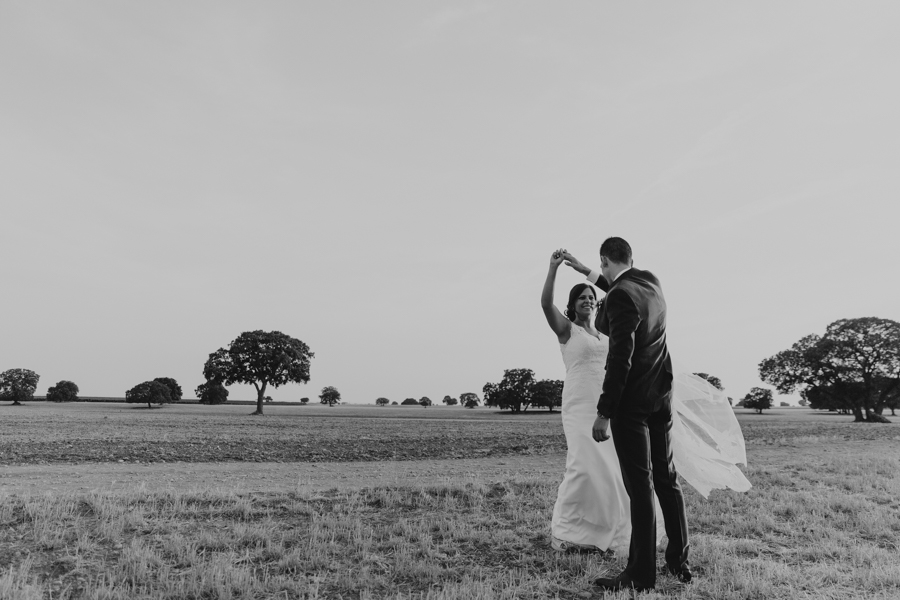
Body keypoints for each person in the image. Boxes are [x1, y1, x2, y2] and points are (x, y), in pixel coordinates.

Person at [554, 239, 753, 592]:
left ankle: (640, 574)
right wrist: (583, 268)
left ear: (605, 260)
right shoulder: (651, 283)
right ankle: (679, 560)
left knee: (639, 485)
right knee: (667, 478)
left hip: (632, 402)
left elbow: (621, 357)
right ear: (630, 258)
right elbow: (616, 288)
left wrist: (604, 411)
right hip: (661, 395)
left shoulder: (617, 296)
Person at [540, 249, 634, 553]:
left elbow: (617, 292)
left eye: (591, 297)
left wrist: (585, 270)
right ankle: (568, 532)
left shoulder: (605, 333)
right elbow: (544, 303)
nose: (588, 300)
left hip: (606, 406)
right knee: (583, 466)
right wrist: (554, 268)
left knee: (609, 469)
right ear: (572, 305)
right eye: (581, 297)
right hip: (579, 407)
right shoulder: (567, 330)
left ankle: (605, 530)